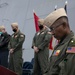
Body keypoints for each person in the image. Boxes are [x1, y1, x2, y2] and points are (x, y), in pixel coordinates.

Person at [44, 8, 75, 75]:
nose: (52, 33)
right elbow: (50, 68)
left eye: (52, 29)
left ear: (64, 25)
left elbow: (67, 70)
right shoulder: (59, 45)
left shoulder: (72, 44)